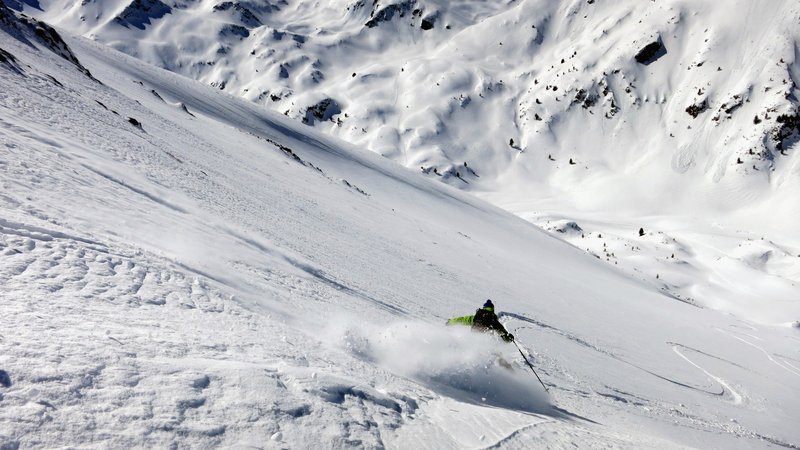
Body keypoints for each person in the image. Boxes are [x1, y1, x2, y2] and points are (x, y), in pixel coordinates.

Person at [446, 299, 514, 342]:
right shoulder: (493, 319)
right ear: (492, 309)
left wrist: (450, 322)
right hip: (485, 340)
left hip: (473, 337)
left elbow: (462, 320)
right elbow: (502, 333)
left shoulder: (477, 316)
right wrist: (509, 338)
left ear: (484, 308)